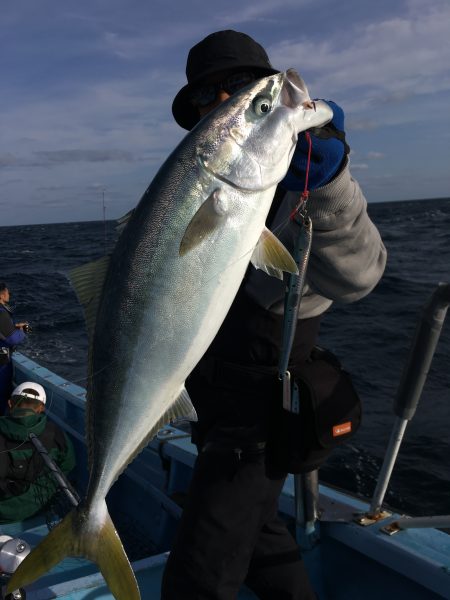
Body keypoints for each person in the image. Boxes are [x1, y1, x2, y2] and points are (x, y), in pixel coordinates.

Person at [162, 30, 387, 600]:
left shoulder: (300, 190)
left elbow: (360, 277)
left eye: (239, 90)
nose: (219, 103)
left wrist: (329, 185)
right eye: (205, 99)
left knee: (198, 578)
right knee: (261, 539)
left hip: (260, 424)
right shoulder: (182, 196)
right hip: (210, 413)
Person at [0, 381, 76, 523]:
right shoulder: (56, 434)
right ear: (41, 408)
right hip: (37, 508)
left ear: (10, 404)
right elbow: (68, 465)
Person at [0, 283, 29, 414]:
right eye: (7, 292)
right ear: (1, 295)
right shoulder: (1, 313)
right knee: (2, 391)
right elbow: (12, 339)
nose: (9, 294)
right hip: (1, 362)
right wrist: (22, 331)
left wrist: (13, 327)